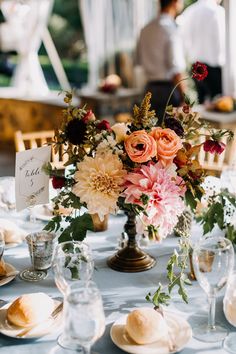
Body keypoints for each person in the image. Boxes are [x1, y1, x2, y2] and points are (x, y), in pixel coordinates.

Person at [136, 0, 186, 123]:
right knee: (169, 137)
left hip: (149, 90)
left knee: (151, 136)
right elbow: (176, 68)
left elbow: (138, 60)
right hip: (168, 92)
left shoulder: (145, 29)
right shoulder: (170, 28)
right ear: (175, 2)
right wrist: (185, 98)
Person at [179, 0, 225, 103]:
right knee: (219, 103)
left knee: (202, 103)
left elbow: (183, 39)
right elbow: (222, 41)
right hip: (215, 66)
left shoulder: (189, 11)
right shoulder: (217, 12)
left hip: (195, 64)